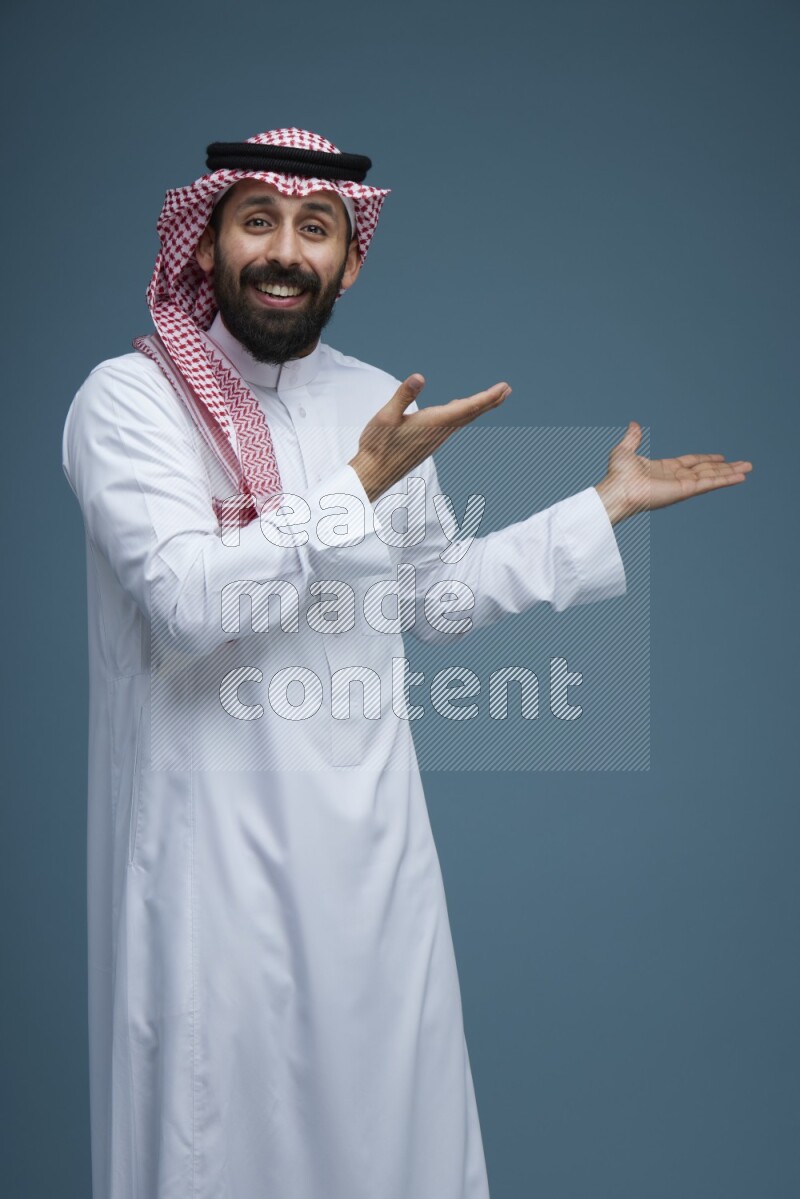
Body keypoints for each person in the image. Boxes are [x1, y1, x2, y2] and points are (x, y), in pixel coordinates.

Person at [62, 127, 752, 1199]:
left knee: (394, 1150)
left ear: (350, 259)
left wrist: (601, 506)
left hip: (373, 874)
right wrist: (354, 486)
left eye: (314, 228)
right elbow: (189, 601)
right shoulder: (127, 403)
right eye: (257, 222)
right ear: (204, 244)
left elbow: (433, 596)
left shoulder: (374, 402)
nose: (284, 251)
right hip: (211, 880)